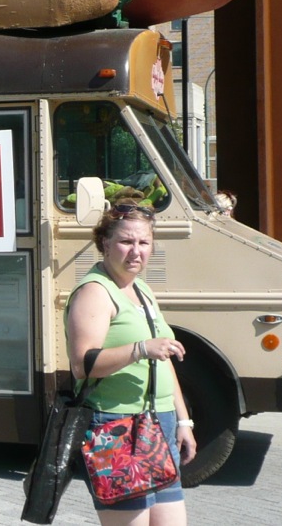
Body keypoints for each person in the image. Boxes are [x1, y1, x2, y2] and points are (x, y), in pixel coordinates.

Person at [65, 193, 197, 525]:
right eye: (125, 241)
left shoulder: (141, 290)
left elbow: (163, 358)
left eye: (144, 242)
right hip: (115, 427)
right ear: (104, 243)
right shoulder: (94, 292)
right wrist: (140, 349)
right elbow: (83, 364)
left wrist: (183, 422)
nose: (136, 251)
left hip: (159, 423)